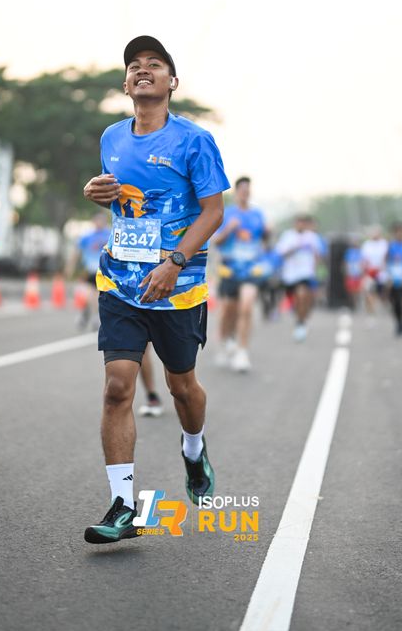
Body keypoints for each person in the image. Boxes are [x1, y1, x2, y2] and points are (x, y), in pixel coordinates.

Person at [82, 36, 229, 544]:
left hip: (178, 289)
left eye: (155, 64)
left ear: (172, 82)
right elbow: (120, 198)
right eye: (134, 66)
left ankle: (194, 449)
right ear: (126, 84)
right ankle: (123, 506)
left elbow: (213, 211)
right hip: (120, 281)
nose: (143, 70)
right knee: (117, 386)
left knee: (181, 387)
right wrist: (95, 192)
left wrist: (175, 262)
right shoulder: (111, 137)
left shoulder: (194, 141)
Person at [67, 213, 164, 414]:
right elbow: (78, 251)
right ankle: (144, 397)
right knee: (127, 361)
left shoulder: (154, 223)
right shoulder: (95, 234)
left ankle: (152, 393)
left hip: (148, 288)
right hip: (111, 286)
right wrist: (70, 267)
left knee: (152, 356)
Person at [212, 176, 268, 372]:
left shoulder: (258, 214)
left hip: (251, 268)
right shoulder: (226, 213)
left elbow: (265, 241)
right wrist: (229, 229)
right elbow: (216, 242)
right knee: (228, 310)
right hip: (229, 268)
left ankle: (242, 352)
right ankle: (224, 340)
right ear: (236, 192)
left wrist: (268, 232)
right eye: (242, 190)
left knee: (246, 306)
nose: (245, 193)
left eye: (248, 190)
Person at [275, 214, 323, 342]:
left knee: (303, 296)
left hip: (306, 273)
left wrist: (315, 267)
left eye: (303, 223)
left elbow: (318, 254)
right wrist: (294, 248)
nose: (301, 225)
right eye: (298, 223)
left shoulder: (312, 237)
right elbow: (280, 253)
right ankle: (299, 318)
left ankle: (301, 323)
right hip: (290, 275)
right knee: (297, 300)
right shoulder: (288, 236)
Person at [360, 225, 388, 318]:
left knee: (381, 291)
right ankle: (370, 309)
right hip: (370, 272)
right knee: (368, 291)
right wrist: (364, 270)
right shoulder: (367, 244)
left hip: (381, 272)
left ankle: (382, 303)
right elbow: (364, 259)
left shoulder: (384, 244)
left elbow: (386, 257)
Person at [343, 236, 364, 310]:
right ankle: (352, 304)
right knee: (350, 290)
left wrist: (362, 272)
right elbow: (346, 262)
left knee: (357, 290)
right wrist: (346, 271)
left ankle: (356, 303)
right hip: (351, 274)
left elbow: (362, 263)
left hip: (357, 274)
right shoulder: (349, 252)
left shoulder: (360, 252)